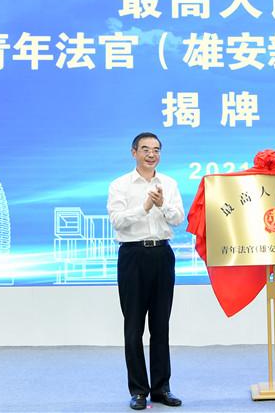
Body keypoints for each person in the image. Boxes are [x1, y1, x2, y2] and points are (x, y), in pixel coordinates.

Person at [107, 132, 185, 410]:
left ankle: (162, 389)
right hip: (133, 256)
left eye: (156, 150)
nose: (152, 154)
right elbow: (117, 221)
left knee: (161, 325)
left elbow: (178, 218)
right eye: (145, 149)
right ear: (134, 152)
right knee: (133, 327)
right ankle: (139, 390)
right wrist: (145, 207)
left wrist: (162, 205)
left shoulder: (169, 184)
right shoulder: (120, 185)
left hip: (162, 254)